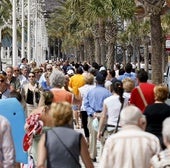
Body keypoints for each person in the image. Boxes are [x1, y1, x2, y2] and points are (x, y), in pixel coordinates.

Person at [37, 102, 94, 168]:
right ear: (69, 116)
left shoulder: (46, 137)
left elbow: (40, 165)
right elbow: (89, 165)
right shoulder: (78, 136)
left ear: (53, 116)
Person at [84, 72, 112, 162]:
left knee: (93, 136)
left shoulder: (90, 92)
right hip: (104, 117)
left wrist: (93, 113)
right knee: (104, 138)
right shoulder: (108, 93)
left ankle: (92, 155)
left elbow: (86, 105)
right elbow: (109, 106)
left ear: (96, 81)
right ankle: (104, 156)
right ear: (104, 81)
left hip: (92, 117)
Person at [144, 84, 170, 149]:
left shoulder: (148, 108)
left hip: (150, 138)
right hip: (164, 139)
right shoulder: (168, 109)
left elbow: (144, 123)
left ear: (155, 94)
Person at [78, 73, 95, 144]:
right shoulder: (95, 88)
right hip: (93, 109)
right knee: (93, 125)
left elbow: (80, 100)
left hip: (84, 108)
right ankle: (93, 139)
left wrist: (79, 110)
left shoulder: (81, 89)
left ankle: (88, 140)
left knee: (85, 125)